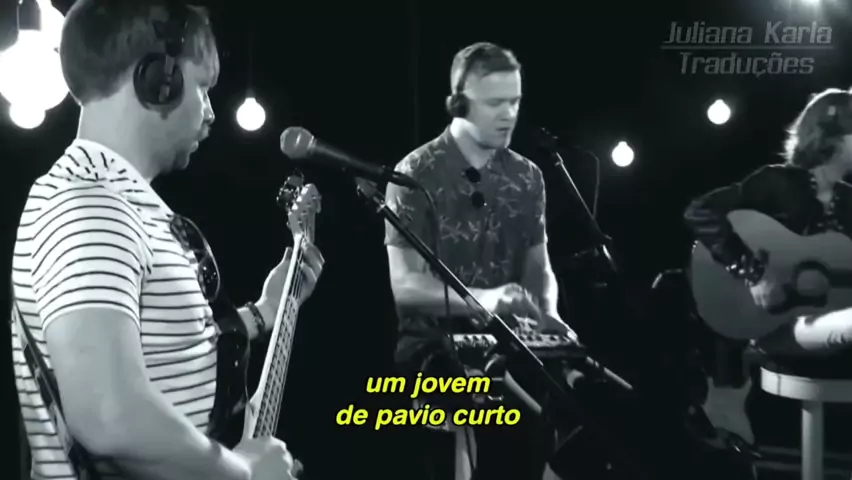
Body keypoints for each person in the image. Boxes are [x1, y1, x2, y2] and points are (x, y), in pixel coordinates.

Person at [11, 2, 323, 480]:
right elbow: (108, 416)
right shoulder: (89, 203)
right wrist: (241, 473)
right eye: (203, 88)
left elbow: (175, 355)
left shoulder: (122, 204)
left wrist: (265, 311)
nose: (211, 112)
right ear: (158, 80)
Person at [384, 41, 575, 480]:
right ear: (459, 103)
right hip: (432, 353)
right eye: (495, 103)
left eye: (515, 101)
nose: (509, 114)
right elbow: (406, 286)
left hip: (509, 350)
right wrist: (487, 299)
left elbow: (539, 266)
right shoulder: (413, 173)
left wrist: (548, 315)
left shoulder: (528, 176)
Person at [683, 87, 852, 445]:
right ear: (834, 137)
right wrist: (754, 273)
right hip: (771, 331)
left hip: (826, 334)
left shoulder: (849, 202)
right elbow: (700, 212)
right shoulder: (777, 182)